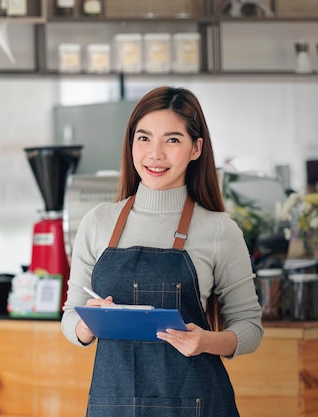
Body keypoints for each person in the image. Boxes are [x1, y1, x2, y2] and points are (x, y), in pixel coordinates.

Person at [61, 86, 263, 417]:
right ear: (130, 144)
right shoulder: (97, 222)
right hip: (113, 406)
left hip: (196, 404)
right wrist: (88, 324)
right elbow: (70, 316)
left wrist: (207, 342)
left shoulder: (218, 230)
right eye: (144, 138)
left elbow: (250, 328)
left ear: (196, 148)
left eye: (171, 140)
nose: (154, 154)